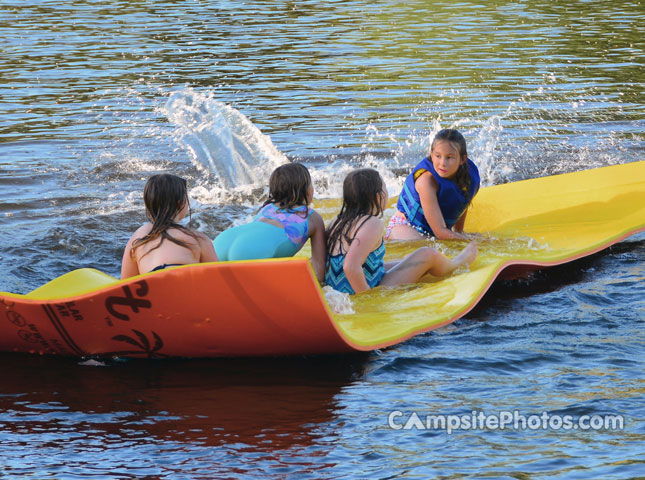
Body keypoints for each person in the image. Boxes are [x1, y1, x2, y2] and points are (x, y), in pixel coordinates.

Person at [325, 168, 477, 295]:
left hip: (344, 285)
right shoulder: (372, 224)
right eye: (385, 188)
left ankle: (423, 263)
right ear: (378, 197)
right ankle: (456, 263)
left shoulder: (336, 222)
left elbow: (340, 265)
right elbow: (350, 266)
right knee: (427, 254)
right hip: (367, 288)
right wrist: (369, 299)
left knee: (405, 260)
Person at [213, 163, 327, 283]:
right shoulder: (312, 217)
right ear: (308, 192)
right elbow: (319, 269)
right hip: (250, 250)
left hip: (222, 242)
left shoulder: (266, 208)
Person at [386, 128, 480, 241]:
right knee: (427, 245)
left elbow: (461, 203)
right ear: (431, 155)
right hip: (406, 226)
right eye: (438, 156)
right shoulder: (426, 180)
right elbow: (440, 232)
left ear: (462, 159)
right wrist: (472, 242)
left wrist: (460, 232)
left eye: (449, 157)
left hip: (436, 231)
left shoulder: (469, 176)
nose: (442, 163)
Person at [121, 174, 218, 279]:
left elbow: (125, 283)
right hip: (183, 283)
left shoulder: (137, 238)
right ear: (180, 204)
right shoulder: (198, 239)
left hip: (154, 285)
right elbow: (217, 279)